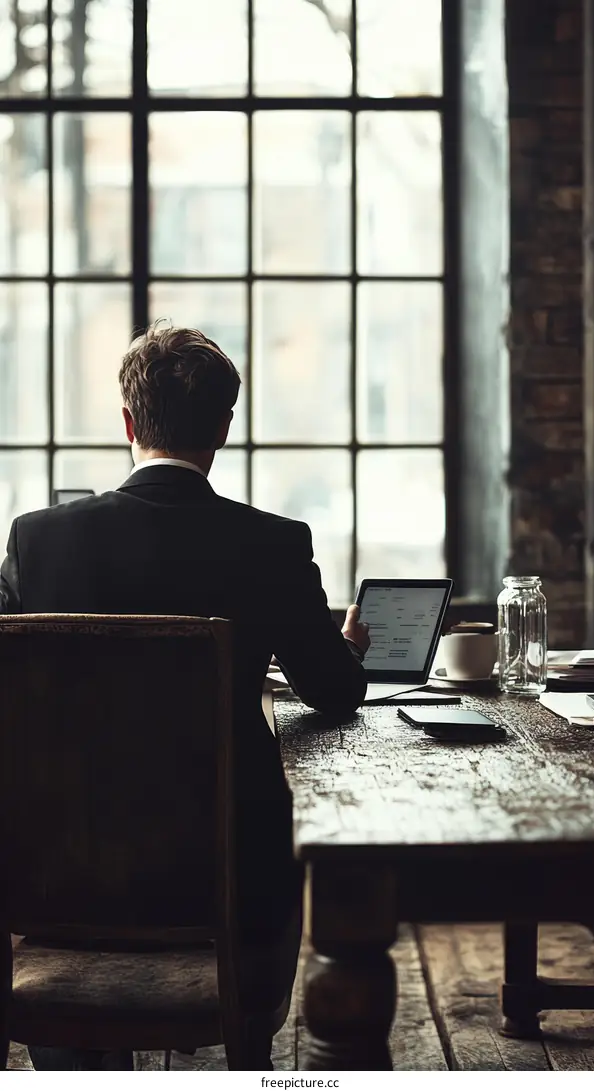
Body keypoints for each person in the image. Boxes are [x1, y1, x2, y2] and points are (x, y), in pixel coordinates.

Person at [0, 324, 369, 1071]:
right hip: (229, 893)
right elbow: (333, 691)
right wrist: (350, 647)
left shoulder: (37, 542)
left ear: (129, 423)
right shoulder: (274, 543)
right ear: (224, 428)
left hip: (61, 879)